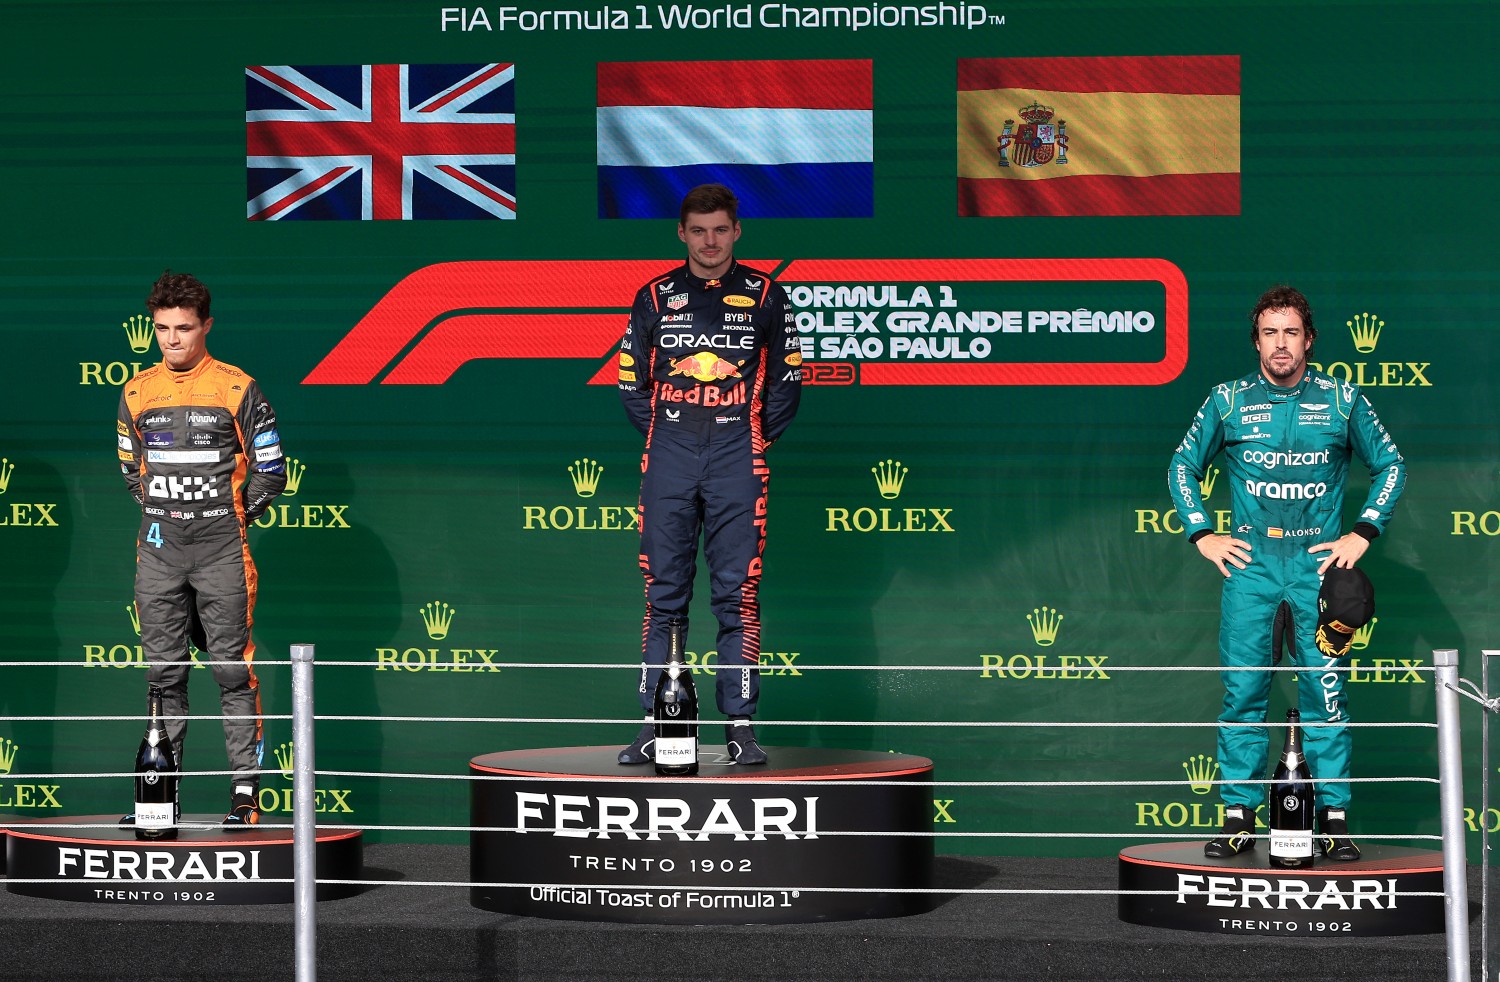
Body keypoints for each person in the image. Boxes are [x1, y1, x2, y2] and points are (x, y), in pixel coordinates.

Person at [1168, 285, 1405, 861]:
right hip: (1251, 568)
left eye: (1291, 332)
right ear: (1256, 342)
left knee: (1327, 696)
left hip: (1316, 568)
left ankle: (1334, 820)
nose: (1281, 343)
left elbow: (1391, 465)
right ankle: (1236, 818)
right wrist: (1202, 533)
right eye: (1270, 332)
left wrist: (1363, 531)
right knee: (1243, 694)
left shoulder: (1344, 400)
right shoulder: (1226, 400)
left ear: (1310, 339)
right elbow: (1181, 464)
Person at [615, 184, 802, 766]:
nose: (710, 241)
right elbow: (630, 379)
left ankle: (740, 729)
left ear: (737, 231)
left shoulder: (769, 296)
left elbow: (787, 381)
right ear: (681, 233)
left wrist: (744, 435)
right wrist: (665, 433)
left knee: (737, 596)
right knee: (663, 593)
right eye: (699, 231)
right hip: (669, 452)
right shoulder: (653, 296)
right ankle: (654, 722)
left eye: (720, 229)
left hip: (736, 455)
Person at [117, 271, 287, 826]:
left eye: (183, 328)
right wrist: (170, 514)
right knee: (162, 677)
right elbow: (130, 470)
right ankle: (159, 803)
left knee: (232, 674)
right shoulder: (136, 390)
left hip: (221, 552)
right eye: (162, 328)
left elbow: (272, 471)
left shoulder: (237, 386)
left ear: (206, 326)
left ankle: (244, 796)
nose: (171, 340)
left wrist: (229, 518)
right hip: (159, 552)